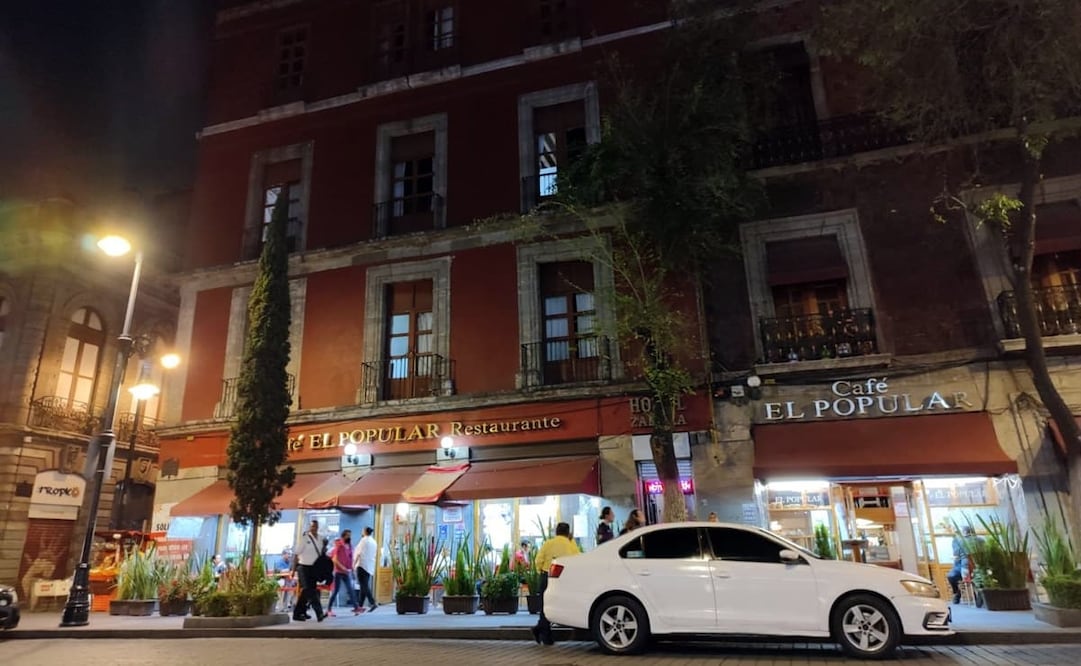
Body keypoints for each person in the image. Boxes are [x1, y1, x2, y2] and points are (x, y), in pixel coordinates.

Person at [532, 522, 581, 646]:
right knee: (557, 605)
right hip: (564, 578)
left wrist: (541, 571)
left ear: (556, 532)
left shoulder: (548, 543)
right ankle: (543, 633)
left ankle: (542, 631)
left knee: (545, 605)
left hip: (546, 575)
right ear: (568, 532)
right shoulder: (571, 544)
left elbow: (538, 560)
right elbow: (577, 559)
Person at [292, 519, 326, 622]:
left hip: (314, 568)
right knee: (309, 590)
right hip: (303, 567)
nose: (313, 528)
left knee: (306, 592)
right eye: (312, 526)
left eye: (315, 526)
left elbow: (322, 553)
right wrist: (293, 569)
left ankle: (298, 613)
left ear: (318, 527)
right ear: (309, 527)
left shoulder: (320, 539)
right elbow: (296, 554)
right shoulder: (304, 538)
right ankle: (319, 613)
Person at [327, 530, 361, 615]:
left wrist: (352, 568)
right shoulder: (339, 545)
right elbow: (334, 559)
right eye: (348, 535)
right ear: (343, 536)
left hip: (346, 572)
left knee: (350, 589)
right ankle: (329, 609)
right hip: (338, 572)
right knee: (335, 591)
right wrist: (342, 567)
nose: (349, 537)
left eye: (350, 535)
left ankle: (356, 607)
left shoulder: (349, 546)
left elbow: (350, 558)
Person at [947, 525, 977, 605]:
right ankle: (957, 593)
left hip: (965, 566)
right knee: (952, 575)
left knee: (953, 576)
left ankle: (960, 592)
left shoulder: (957, 541)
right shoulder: (979, 540)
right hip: (963, 565)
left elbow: (956, 554)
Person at [354, 526, 378, 612]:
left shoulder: (364, 540)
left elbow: (358, 553)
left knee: (363, 586)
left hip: (362, 565)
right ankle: (360, 606)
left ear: (365, 531)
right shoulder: (374, 542)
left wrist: (353, 564)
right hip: (369, 566)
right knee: (364, 586)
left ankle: (372, 602)